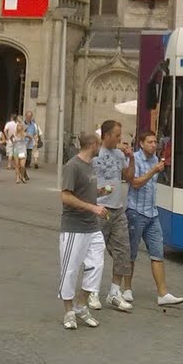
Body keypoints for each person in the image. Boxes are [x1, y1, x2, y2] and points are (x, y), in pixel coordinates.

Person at [122, 131, 183, 307]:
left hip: (152, 213)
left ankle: (163, 293)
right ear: (141, 144)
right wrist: (152, 171)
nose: (153, 144)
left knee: (157, 253)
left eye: (155, 141)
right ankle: (127, 289)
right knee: (131, 253)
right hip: (135, 212)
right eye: (149, 141)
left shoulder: (156, 160)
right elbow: (134, 183)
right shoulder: (134, 159)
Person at [58, 131, 107, 330]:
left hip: (92, 227)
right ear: (93, 145)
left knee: (96, 265)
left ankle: (81, 303)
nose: (100, 148)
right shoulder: (73, 166)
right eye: (99, 144)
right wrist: (93, 208)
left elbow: (84, 189)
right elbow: (66, 197)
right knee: (70, 269)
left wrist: (99, 192)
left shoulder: (90, 166)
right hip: (74, 227)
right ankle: (69, 311)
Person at [88, 119, 135, 312]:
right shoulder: (94, 154)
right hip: (99, 209)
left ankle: (114, 293)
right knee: (94, 253)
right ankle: (91, 292)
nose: (119, 139)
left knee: (123, 252)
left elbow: (129, 177)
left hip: (118, 209)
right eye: (116, 135)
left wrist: (131, 159)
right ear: (106, 135)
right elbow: (84, 180)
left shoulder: (119, 154)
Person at [13, 120, 28, 184]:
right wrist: (13, 142)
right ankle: (17, 178)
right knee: (17, 165)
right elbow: (11, 138)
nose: (19, 127)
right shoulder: (14, 134)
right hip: (16, 150)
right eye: (18, 126)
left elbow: (30, 137)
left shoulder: (24, 134)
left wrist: (28, 142)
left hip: (22, 151)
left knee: (22, 165)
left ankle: (22, 176)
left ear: (22, 127)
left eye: (20, 126)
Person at [24, 111, 38, 175]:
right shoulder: (22, 124)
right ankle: (22, 172)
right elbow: (19, 132)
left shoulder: (33, 125)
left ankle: (25, 170)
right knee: (22, 158)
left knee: (29, 158)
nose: (29, 118)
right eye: (28, 116)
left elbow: (35, 134)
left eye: (30, 116)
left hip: (30, 144)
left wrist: (36, 141)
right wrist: (26, 134)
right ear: (25, 116)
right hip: (23, 144)